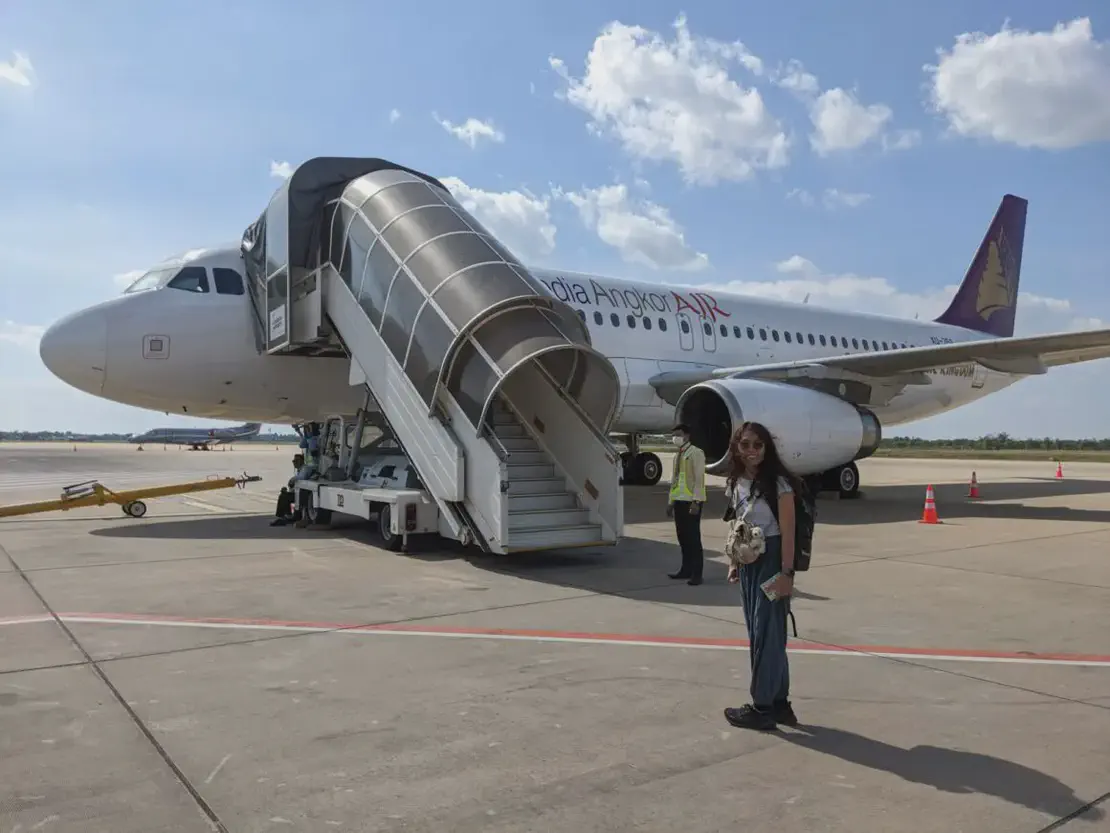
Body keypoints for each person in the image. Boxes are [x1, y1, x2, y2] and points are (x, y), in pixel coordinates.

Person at [721, 421, 805, 731]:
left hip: (772, 563)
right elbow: (737, 525)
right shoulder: (735, 483)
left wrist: (786, 574)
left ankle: (762, 707)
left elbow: (788, 532)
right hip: (749, 563)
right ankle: (780, 703)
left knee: (768, 635)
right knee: (762, 633)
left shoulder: (779, 485)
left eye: (758, 444)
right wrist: (734, 562)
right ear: (737, 448)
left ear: (766, 448)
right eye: (745, 444)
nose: (752, 450)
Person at [665, 423, 706, 585]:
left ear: (687, 436)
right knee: (682, 538)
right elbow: (674, 481)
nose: (676, 438)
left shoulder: (696, 453)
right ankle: (685, 569)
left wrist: (696, 501)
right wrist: (670, 502)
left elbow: (699, 479)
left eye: (679, 434)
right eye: (674, 435)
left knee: (693, 538)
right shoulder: (678, 455)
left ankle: (697, 574)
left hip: (691, 502)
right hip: (679, 501)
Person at [270, 453, 307, 526]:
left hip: (301, 493)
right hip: (296, 491)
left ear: (301, 461)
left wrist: (292, 480)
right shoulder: (299, 470)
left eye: (296, 461)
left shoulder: (304, 469)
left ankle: (287, 515)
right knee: (283, 495)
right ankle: (282, 516)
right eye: (294, 461)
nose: (294, 463)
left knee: (284, 497)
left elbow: (301, 478)